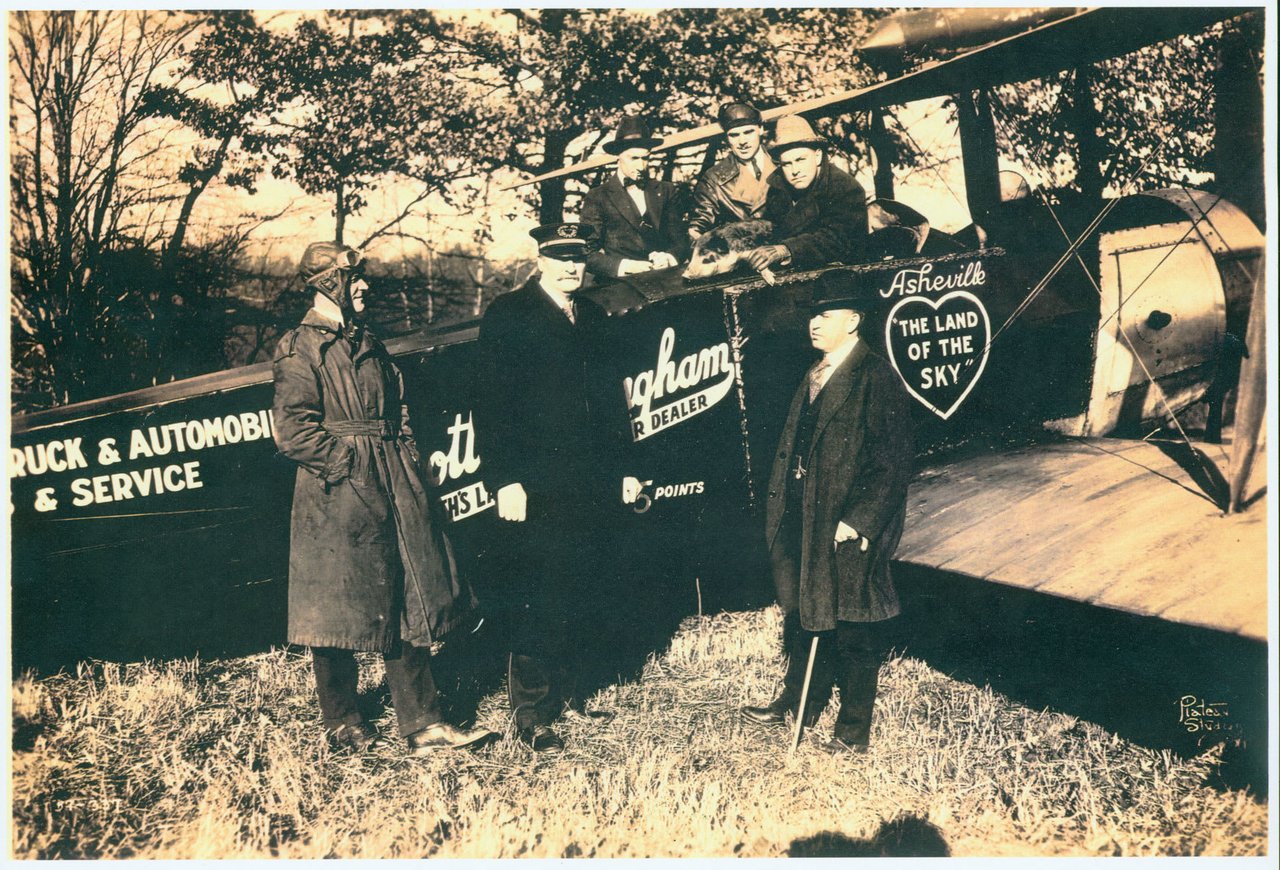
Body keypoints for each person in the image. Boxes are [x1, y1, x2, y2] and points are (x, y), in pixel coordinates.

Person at [272, 242, 494, 755]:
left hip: (393, 475)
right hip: (337, 490)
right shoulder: (300, 348)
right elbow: (292, 432)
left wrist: (405, 458)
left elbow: (401, 407)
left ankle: (424, 724)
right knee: (336, 606)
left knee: (408, 596)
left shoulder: (368, 339)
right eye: (356, 278)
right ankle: (343, 723)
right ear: (330, 283)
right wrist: (349, 465)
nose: (366, 286)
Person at [741, 269, 914, 754]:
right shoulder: (815, 371)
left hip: (846, 523)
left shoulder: (876, 377)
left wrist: (860, 519)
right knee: (804, 613)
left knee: (854, 625)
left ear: (854, 320)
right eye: (812, 315)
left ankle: (852, 732)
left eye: (825, 314)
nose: (814, 324)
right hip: (804, 514)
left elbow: (892, 462)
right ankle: (796, 705)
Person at [477, 222, 630, 752]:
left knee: (582, 583)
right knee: (536, 592)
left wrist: (625, 469)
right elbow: (491, 408)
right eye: (560, 258)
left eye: (579, 258)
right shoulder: (508, 315)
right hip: (536, 484)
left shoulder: (592, 316)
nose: (571, 267)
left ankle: (570, 696)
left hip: (589, 481)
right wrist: (505, 480)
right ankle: (531, 714)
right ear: (540, 260)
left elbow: (614, 406)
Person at [745, 115, 869, 274]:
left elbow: (837, 239)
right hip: (792, 275)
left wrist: (788, 249)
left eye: (800, 159)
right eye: (787, 164)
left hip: (842, 276)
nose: (795, 170)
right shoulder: (778, 189)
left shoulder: (845, 187)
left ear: (817, 156)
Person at [580, 115, 688, 280]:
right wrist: (625, 266)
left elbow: (680, 241)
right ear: (618, 157)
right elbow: (586, 252)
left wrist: (669, 258)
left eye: (646, 158)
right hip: (618, 285)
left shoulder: (667, 191)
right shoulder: (598, 197)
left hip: (663, 279)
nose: (641, 166)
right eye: (634, 158)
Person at [688, 101, 775, 239]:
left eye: (748, 132)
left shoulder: (783, 162)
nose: (742, 141)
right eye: (734, 135)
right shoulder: (714, 178)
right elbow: (698, 227)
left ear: (761, 129)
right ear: (726, 138)